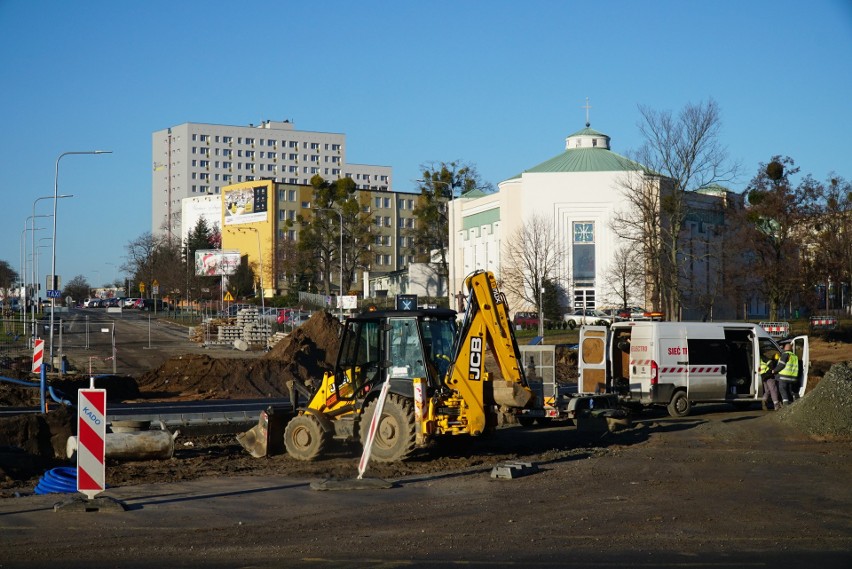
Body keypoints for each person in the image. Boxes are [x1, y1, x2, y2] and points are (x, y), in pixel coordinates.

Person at [773, 342, 800, 406]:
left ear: (785, 348)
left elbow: (781, 365)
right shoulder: (795, 356)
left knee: (782, 389)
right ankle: (791, 404)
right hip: (793, 378)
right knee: (789, 390)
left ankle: (785, 404)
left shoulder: (785, 354)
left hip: (784, 377)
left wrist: (774, 371)